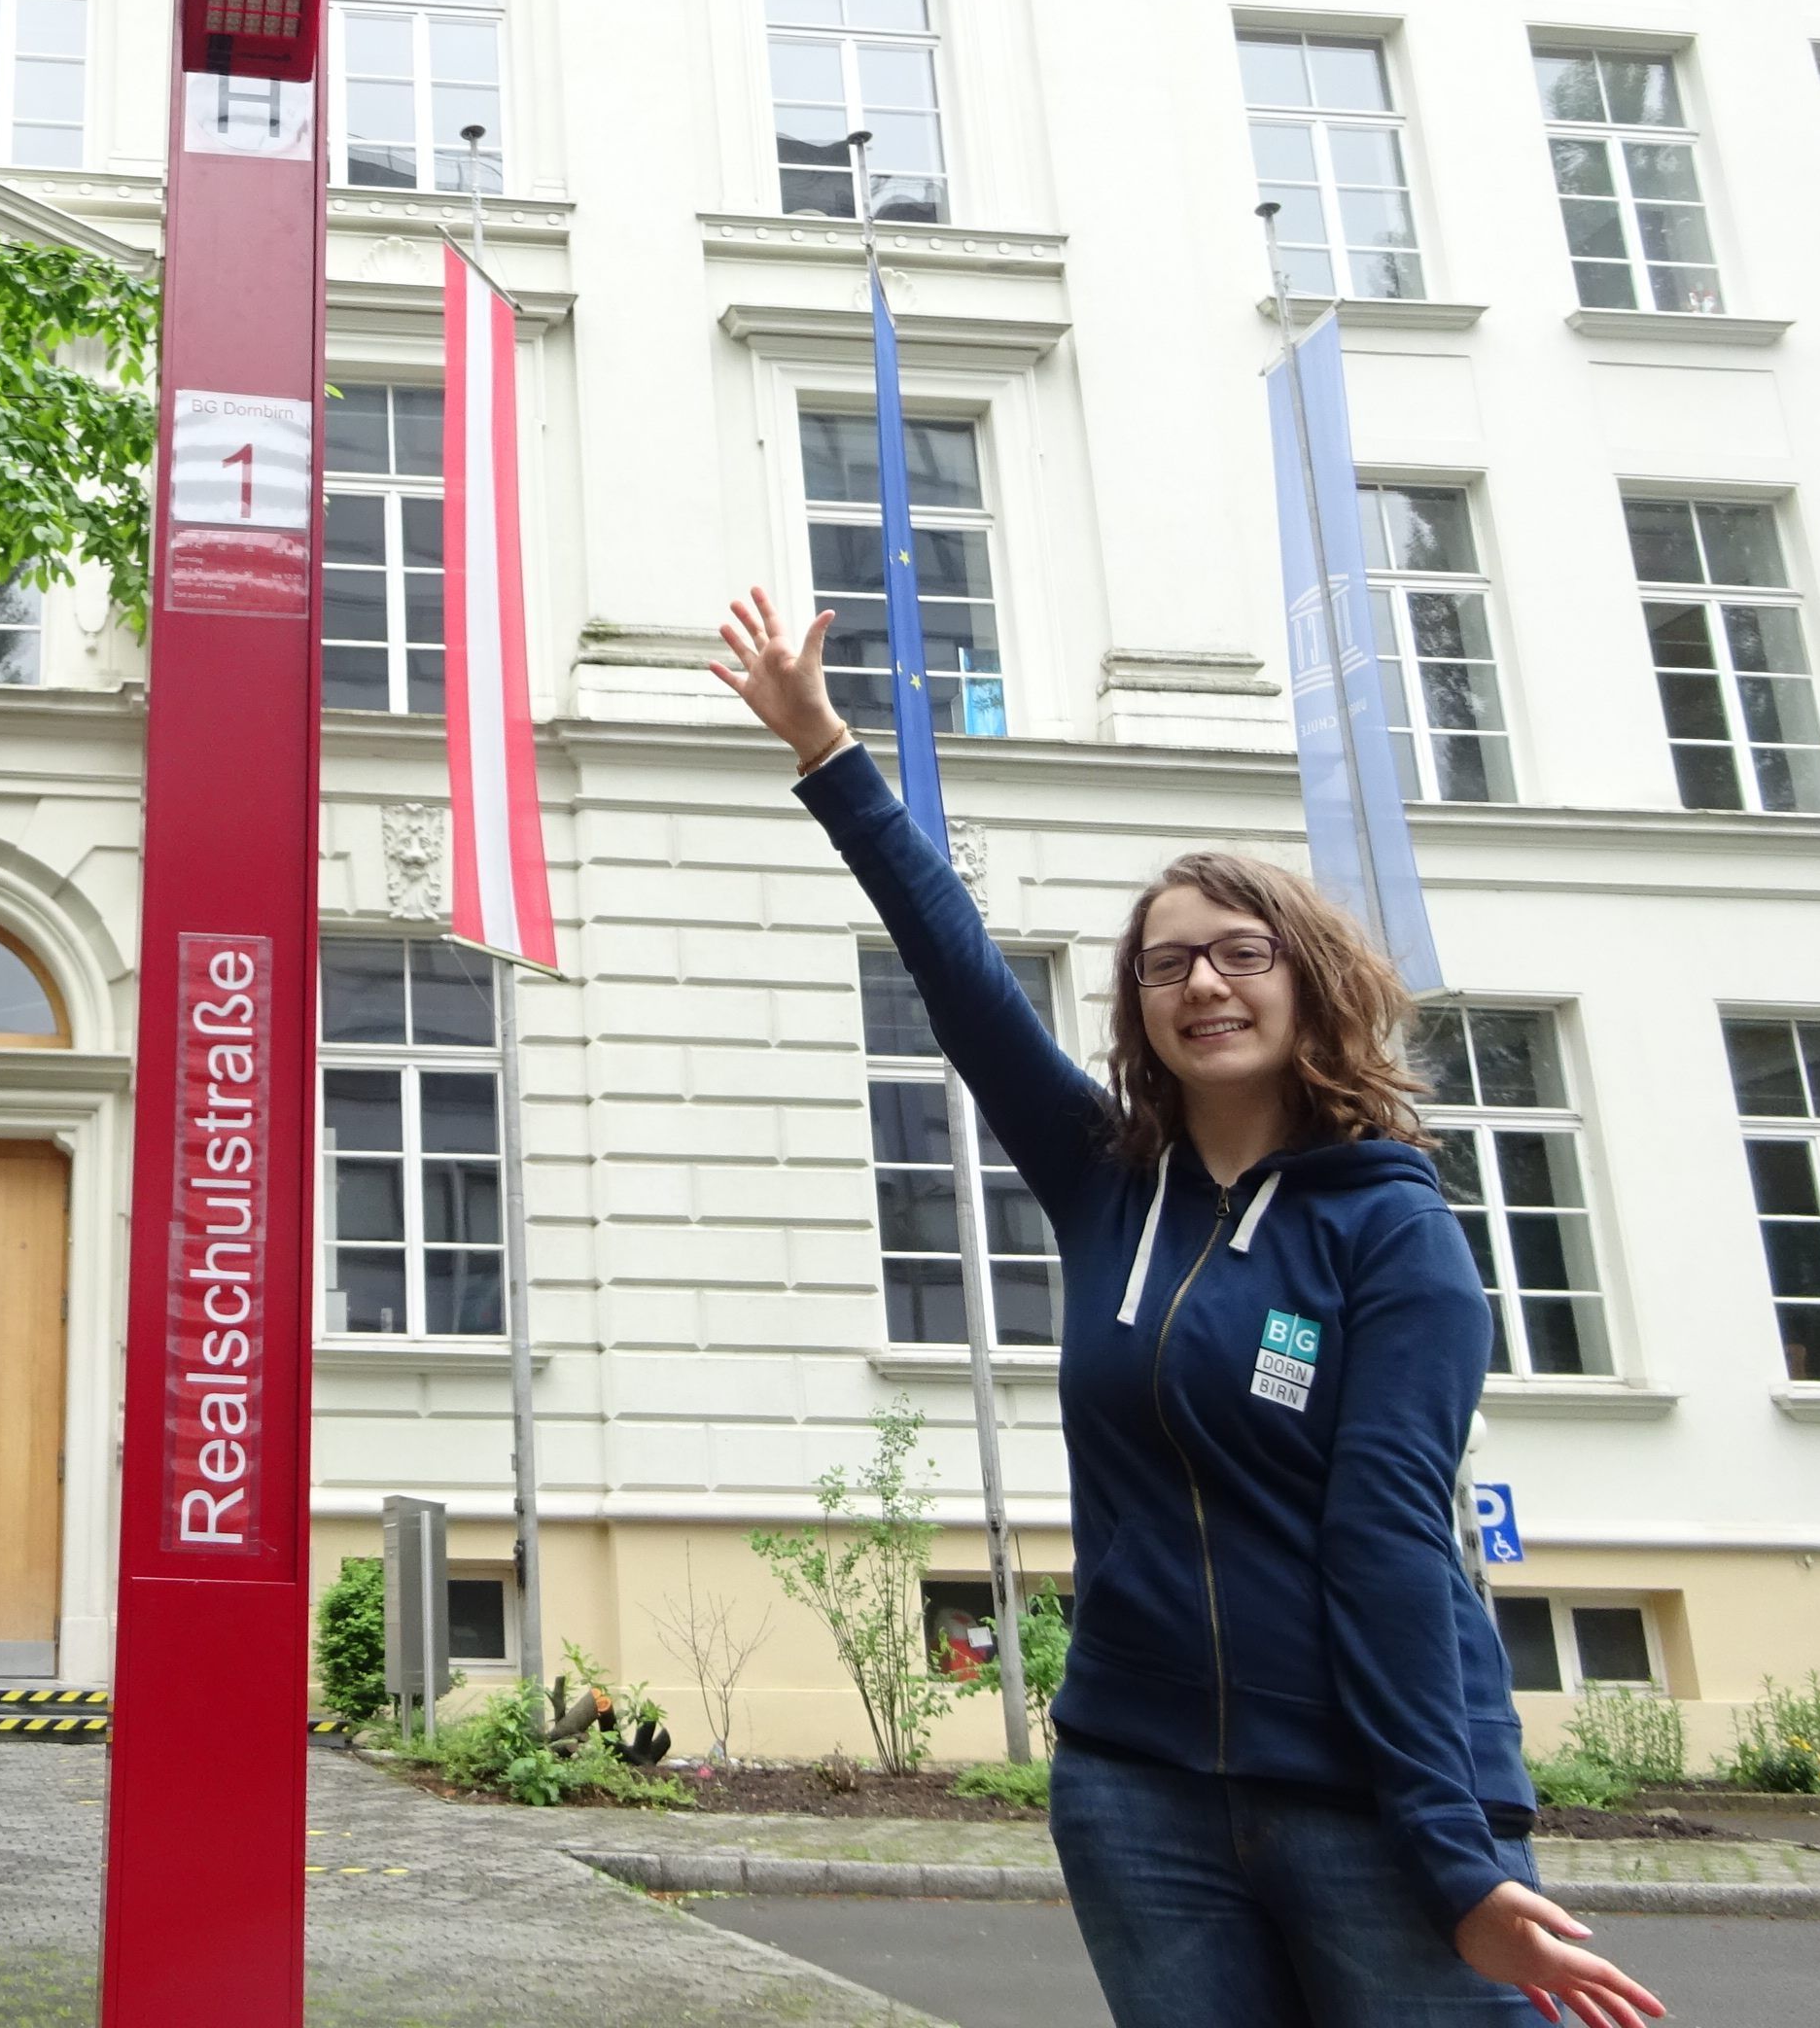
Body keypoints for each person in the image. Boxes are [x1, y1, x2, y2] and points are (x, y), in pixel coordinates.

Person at [712, 589, 1663, 2028]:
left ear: (1307, 982)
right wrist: (825, 749)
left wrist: (1454, 1854)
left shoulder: (1390, 1229)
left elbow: (1392, 1540)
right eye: (1167, 964)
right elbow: (961, 983)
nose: (1201, 983)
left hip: (1370, 1800)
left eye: (1238, 952)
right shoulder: (1113, 1188)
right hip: (1139, 1800)